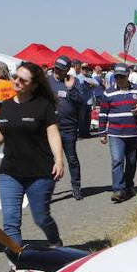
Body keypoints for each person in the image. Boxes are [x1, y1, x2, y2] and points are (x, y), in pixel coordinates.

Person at [0, 62, 64, 272]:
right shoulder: (6, 106)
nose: (16, 82)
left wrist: (59, 159)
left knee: (41, 217)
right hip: (10, 173)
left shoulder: (43, 106)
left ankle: (56, 246)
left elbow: (53, 135)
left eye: (23, 80)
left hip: (40, 173)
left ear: (33, 85)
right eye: (15, 77)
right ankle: (16, 266)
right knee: (10, 223)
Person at [98, 64, 137, 202]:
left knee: (132, 162)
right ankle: (118, 190)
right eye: (116, 76)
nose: (119, 79)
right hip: (115, 133)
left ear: (128, 75)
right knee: (117, 161)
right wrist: (102, 133)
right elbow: (103, 114)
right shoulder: (108, 93)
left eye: (122, 76)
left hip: (134, 133)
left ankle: (129, 187)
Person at [47, 56, 86, 199]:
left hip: (68, 127)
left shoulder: (74, 82)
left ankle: (76, 187)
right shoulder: (47, 81)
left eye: (60, 69)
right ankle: (48, 190)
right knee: (50, 160)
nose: (57, 71)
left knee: (72, 159)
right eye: (56, 68)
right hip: (51, 128)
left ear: (67, 70)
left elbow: (81, 101)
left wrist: (70, 89)